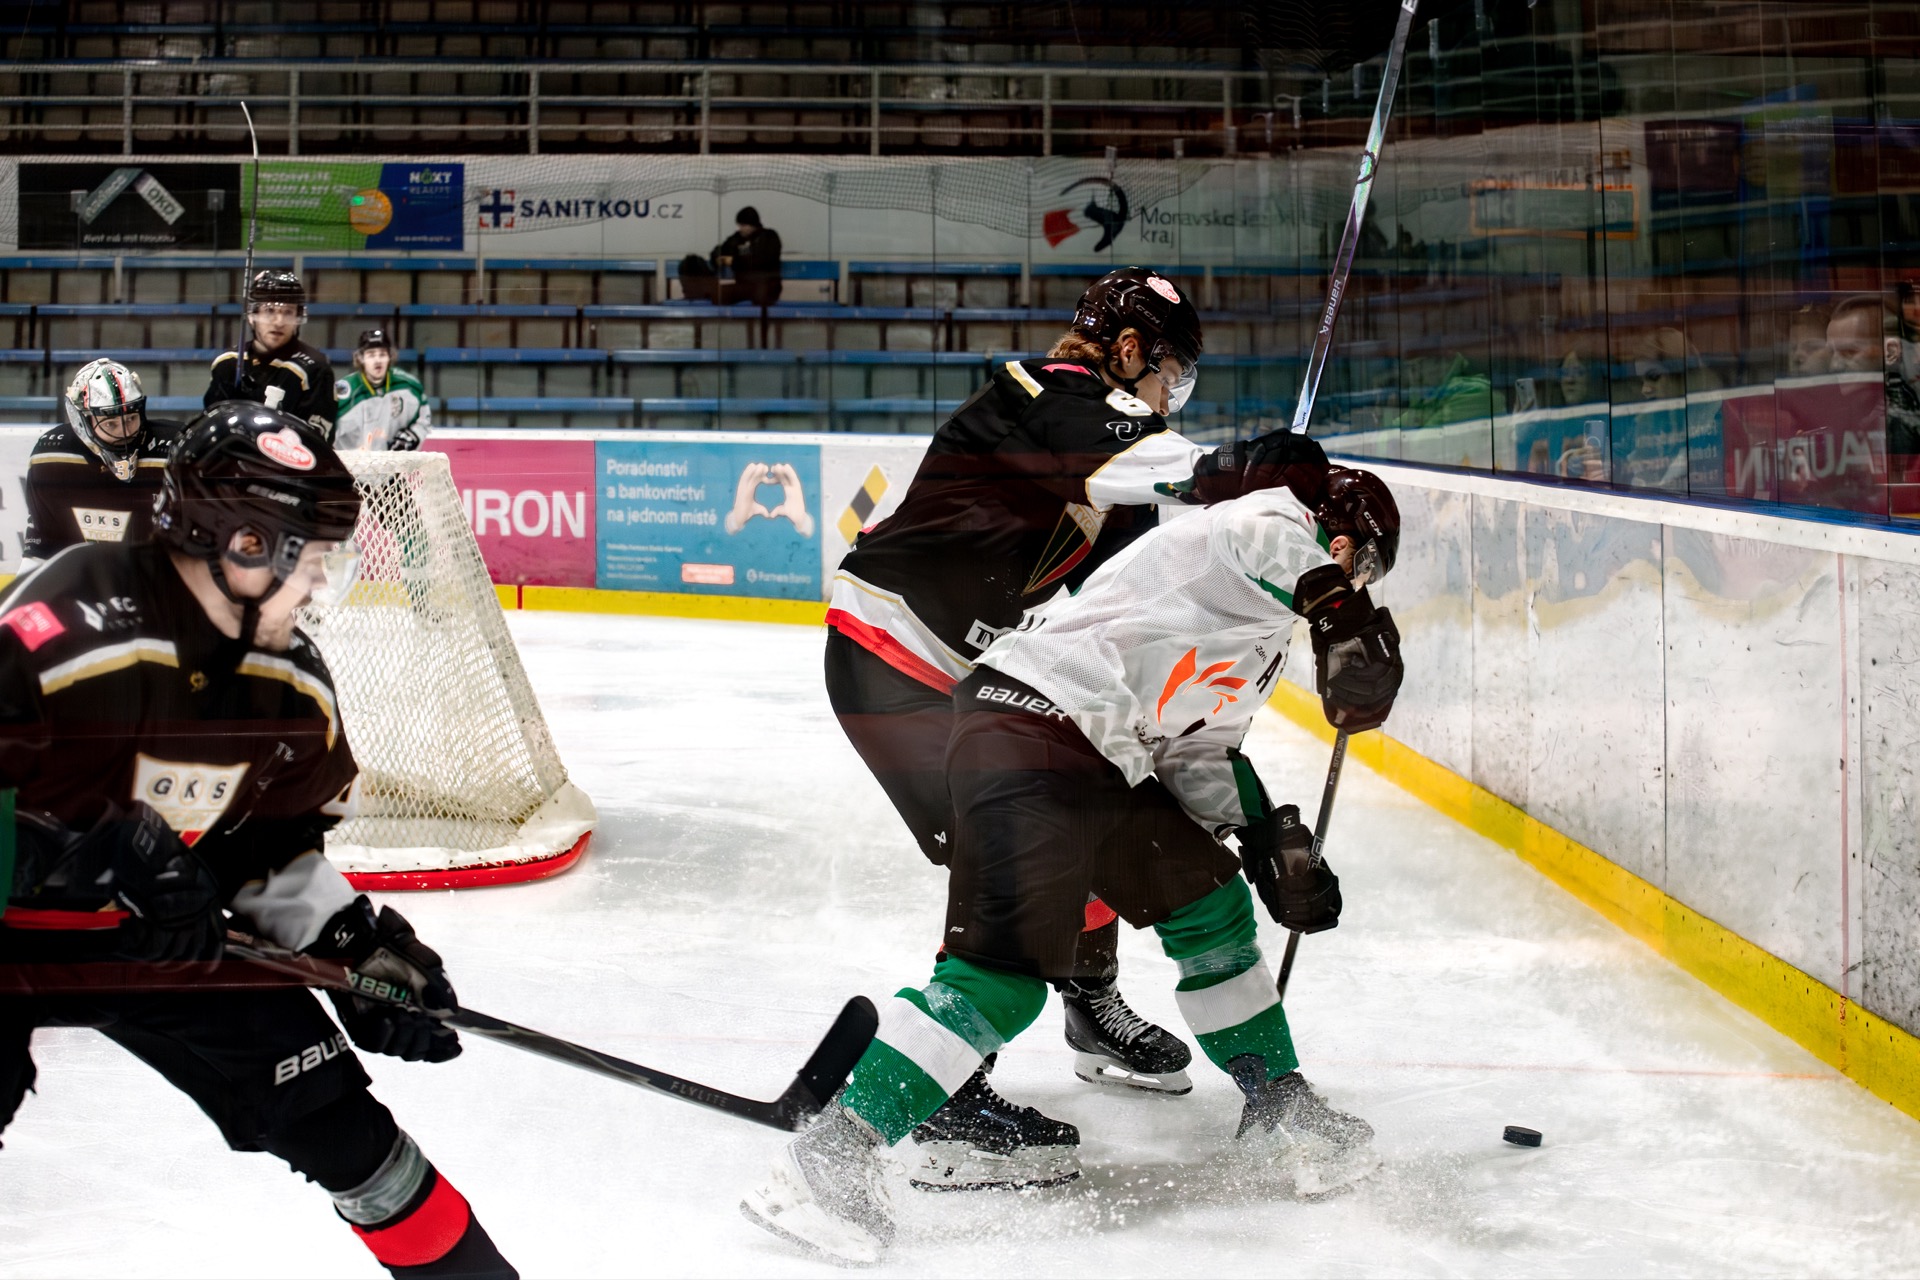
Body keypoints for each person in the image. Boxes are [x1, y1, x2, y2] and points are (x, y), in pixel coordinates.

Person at [745, 462, 1406, 1265]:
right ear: (1337, 536)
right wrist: (1338, 606)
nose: (1359, 582)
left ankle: (1278, 1104)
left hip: (1103, 756)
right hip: (1027, 727)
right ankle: (831, 1156)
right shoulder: (1255, 529)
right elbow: (1269, 539)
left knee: (1209, 903)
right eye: (1362, 564)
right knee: (1003, 976)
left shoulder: (1265, 636)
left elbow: (1195, 751)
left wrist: (1264, 835)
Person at [823, 265, 1338, 1191]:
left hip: (979, 678)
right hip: (893, 664)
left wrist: (1266, 511)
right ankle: (940, 1099)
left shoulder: (1110, 452)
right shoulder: (1043, 397)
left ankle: (1088, 1007)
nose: (1170, 397)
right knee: (1011, 862)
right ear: (1129, 349)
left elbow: (1155, 560)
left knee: (1088, 828)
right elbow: (1154, 462)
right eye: (1171, 376)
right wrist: (1244, 465)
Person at [0, 403, 515, 1279]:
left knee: (351, 1138)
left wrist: (352, 947)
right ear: (238, 544)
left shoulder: (292, 689)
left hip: (169, 944)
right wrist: (80, 853)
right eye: (308, 560)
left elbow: (267, 848)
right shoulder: (67, 627)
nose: (317, 585)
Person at [21, 358, 185, 568]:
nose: (124, 432)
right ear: (82, 422)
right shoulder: (49, 458)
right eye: (110, 424)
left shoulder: (178, 450)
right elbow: (41, 549)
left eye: (130, 419)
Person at [206, 270, 339, 442]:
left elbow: (316, 442)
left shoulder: (315, 369)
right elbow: (212, 431)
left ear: (298, 317)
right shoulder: (228, 364)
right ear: (252, 315)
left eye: (288, 312)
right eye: (269, 310)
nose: (279, 321)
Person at [334, 329, 431, 453]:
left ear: (390, 356)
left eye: (382, 354)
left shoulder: (409, 386)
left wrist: (413, 435)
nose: (377, 360)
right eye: (371, 355)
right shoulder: (342, 392)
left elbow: (423, 418)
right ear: (360, 358)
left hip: (393, 463)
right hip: (350, 464)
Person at [679, 206, 783, 308]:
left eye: (743, 225)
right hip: (742, 285)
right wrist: (725, 260)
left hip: (765, 284)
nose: (741, 229)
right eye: (739, 225)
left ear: (753, 224)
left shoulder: (769, 237)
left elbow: (763, 262)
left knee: (760, 291)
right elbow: (718, 252)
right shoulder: (737, 238)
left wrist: (735, 260)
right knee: (718, 292)